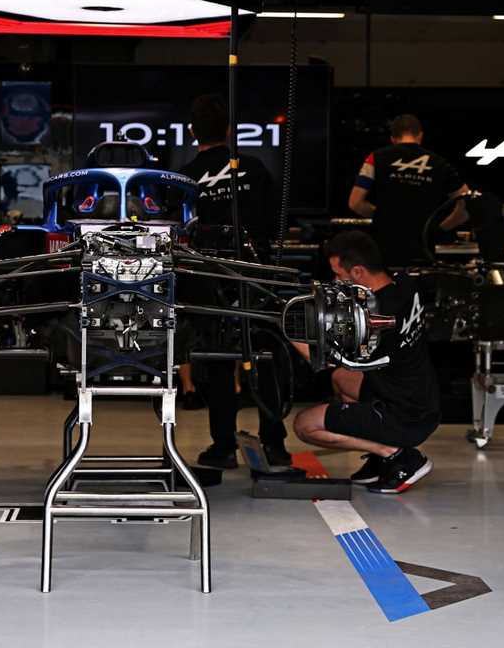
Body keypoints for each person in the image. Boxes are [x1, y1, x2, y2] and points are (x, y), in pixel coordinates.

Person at [178, 93, 290, 469]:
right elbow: (278, 222)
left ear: (193, 133)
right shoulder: (255, 168)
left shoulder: (185, 178)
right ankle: (275, 444)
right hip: (256, 273)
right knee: (268, 354)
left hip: (208, 278)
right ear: (228, 130)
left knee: (217, 359)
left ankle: (223, 446)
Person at [291, 231, 439, 493]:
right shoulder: (404, 286)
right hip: (420, 399)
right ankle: (381, 460)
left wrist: (290, 332)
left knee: (304, 425)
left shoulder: (373, 320)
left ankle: (395, 454)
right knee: (341, 380)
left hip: (403, 415)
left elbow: (324, 363)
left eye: (338, 274)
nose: (335, 280)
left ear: (358, 271)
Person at [348, 114, 471, 267]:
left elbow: (355, 203)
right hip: (423, 248)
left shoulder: (375, 158)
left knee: (387, 288)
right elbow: (467, 205)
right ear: (420, 136)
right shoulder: (439, 163)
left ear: (393, 138)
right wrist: (438, 228)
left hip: (386, 248)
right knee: (421, 288)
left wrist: (384, 216)